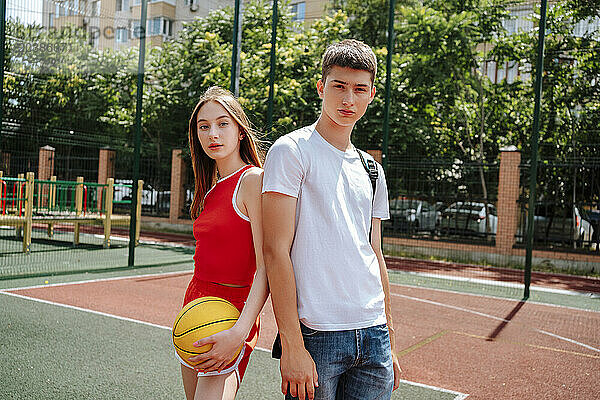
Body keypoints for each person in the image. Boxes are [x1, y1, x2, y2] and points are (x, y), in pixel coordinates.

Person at [262, 39, 402, 400]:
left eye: (359, 89)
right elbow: (275, 251)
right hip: (318, 335)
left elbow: (375, 254)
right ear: (321, 87)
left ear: (371, 95)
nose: (348, 99)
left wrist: (390, 340)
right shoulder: (291, 151)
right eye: (339, 86)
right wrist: (292, 344)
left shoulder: (372, 170)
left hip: (374, 336)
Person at [178, 86, 269, 400]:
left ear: (240, 131)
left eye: (222, 123)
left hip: (231, 318)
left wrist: (239, 333)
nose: (212, 133)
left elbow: (266, 268)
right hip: (195, 311)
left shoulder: (253, 181)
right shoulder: (209, 188)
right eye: (204, 126)